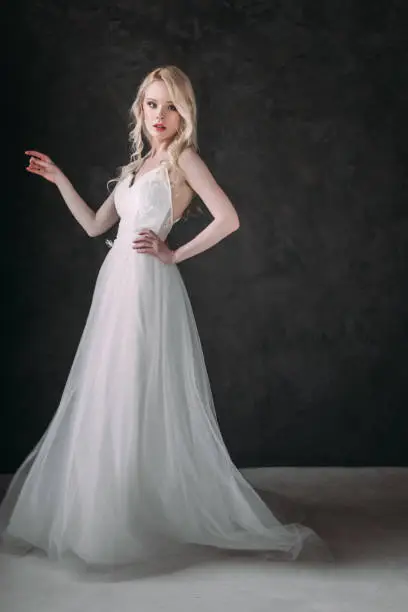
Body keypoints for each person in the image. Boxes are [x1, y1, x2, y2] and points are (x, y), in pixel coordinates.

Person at [0, 66, 330, 572]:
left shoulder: (183, 160)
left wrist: (174, 254)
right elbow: (95, 225)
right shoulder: (135, 168)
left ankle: (133, 515)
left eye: (171, 106)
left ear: (185, 114)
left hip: (150, 288)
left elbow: (229, 218)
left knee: (139, 389)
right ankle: (106, 512)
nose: (160, 115)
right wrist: (59, 178)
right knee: (110, 390)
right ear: (140, 109)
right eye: (152, 104)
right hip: (116, 286)